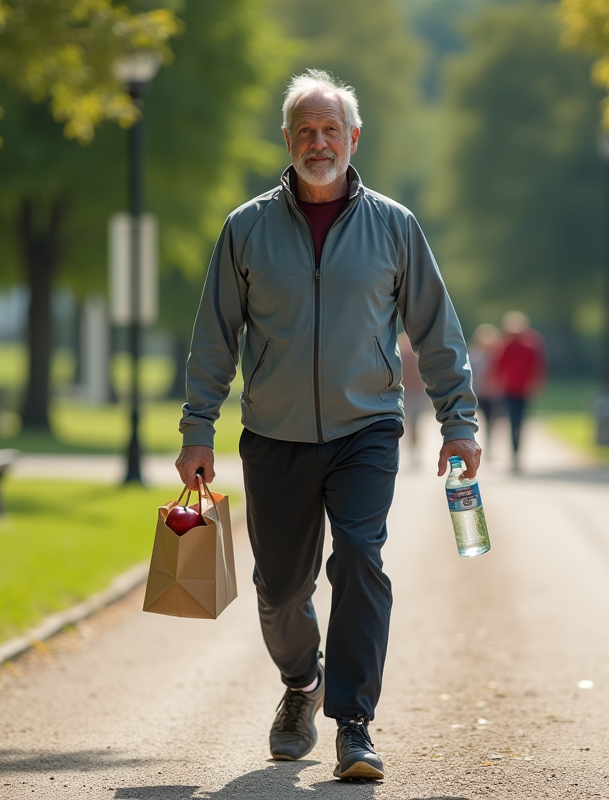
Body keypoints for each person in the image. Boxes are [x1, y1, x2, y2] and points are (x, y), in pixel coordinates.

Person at [174, 69, 480, 782]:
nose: (319, 141)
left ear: (353, 137)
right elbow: (215, 337)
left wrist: (458, 421)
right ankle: (300, 685)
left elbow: (437, 332)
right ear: (287, 139)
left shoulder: (395, 227)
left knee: (361, 560)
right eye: (306, 130)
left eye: (331, 129)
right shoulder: (245, 228)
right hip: (274, 434)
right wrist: (198, 429)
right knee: (280, 589)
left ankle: (354, 724)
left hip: (366, 429)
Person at [490, 311, 547, 473]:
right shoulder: (505, 345)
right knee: (512, 421)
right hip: (509, 389)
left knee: (519, 422)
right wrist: (495, 383)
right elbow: (498, 365)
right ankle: (513, 454)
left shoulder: (530, 345)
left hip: (523, 389)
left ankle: (517, 454)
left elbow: (537, 366)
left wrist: (536, 385)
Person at [468, 323, 502, 457]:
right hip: (478, 393)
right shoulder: (474, 355)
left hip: (494, 394)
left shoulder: (497, 356)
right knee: (476, 420)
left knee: (492, 420)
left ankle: (489, 445)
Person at [398, 331, 423, 466]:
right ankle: (412, 451)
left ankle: (414, 451)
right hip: (406, 394)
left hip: (414, 394)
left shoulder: (414, 357)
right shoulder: (402, 357)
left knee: (414, 424)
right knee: (410, 424)